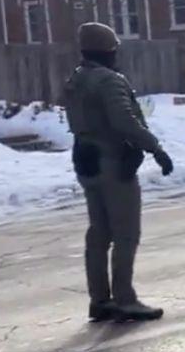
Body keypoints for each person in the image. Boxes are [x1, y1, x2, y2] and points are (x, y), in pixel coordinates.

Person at [63, 23, 175, 323]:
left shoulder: (76, 78)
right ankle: (125, 298)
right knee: (126, 232)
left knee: (98, 232)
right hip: (112, 159)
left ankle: (99, 299)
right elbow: (124, 121)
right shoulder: (108, 80)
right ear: (109, 50)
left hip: (85, 157)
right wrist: (155, 148)